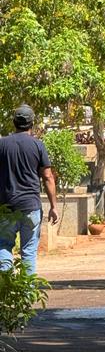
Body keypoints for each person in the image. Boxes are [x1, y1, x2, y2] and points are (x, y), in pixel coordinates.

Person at [0, 104, 58, 274]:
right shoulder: (38, 146)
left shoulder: (2, 145)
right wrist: (54, 206)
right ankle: (27, 294)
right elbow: (47, 177)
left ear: (13, 122)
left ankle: (6, 289)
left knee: (3, 245)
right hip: (30, 207)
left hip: (6, 207)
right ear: (32, 123)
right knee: (29, 252)